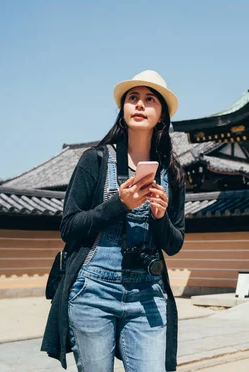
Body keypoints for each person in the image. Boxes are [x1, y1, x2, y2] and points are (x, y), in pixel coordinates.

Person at [41, 70, 185, 372]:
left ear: (161, 115)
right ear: (123, 111)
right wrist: (118, 205)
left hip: (148, 291)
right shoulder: (95, 160)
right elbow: (68, 227)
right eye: (133, 98)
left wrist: (159, 218)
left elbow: (174, 244)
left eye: (150, 99)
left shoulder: (172, 173)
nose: (140, 105)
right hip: (93, 290)